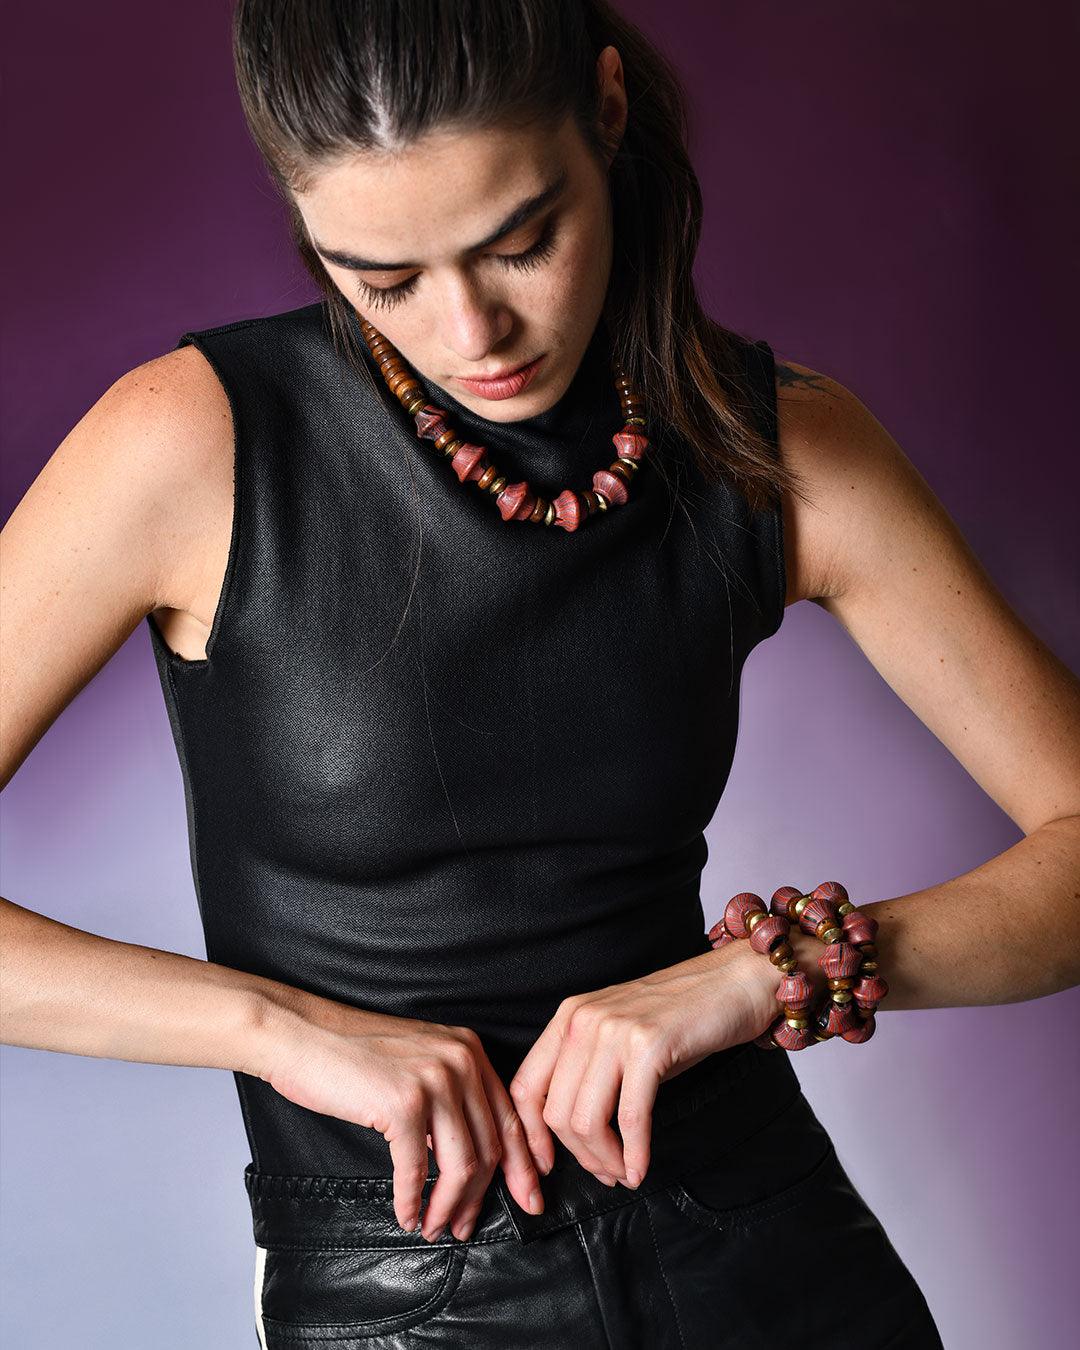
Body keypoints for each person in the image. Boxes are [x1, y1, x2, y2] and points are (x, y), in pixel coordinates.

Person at [2, 1, 1077, 1346]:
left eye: (523, 241)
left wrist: (766, 972)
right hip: (403, 1287)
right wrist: (279, 1026)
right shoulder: (188, 444)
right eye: (381, 278)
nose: (471, 330)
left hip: (768, 1247)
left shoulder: (781, 445)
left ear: (608, 113)